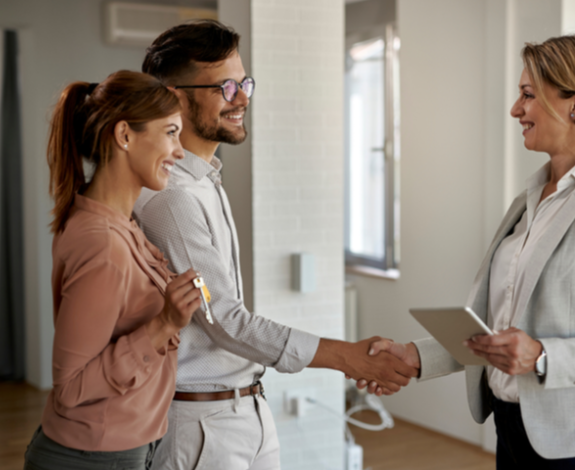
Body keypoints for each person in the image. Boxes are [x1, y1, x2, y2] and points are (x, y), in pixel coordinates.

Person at [365, 35, 575, 469]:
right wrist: (418, 357)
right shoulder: (529, 199)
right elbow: (503, 332)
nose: (515, 109)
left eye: (528, 95)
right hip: (512, 433)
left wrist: (544, 357)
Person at [133, 20, 418, 470]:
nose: (243, 97)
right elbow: (224, 320)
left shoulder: (206, 182)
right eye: (225, 86)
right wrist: (347, 358)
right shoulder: (171, 200)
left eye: (244, 82)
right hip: (201, 425)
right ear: (175, 97)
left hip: (246, 409)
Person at [24, 71, 203, 470]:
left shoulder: (120, 225)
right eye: (171, 132)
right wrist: (164, 324)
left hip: (115, 450)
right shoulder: (102, 242)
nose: (179, 151)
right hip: (94, 458)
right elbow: (70, 387)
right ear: (124, 136)